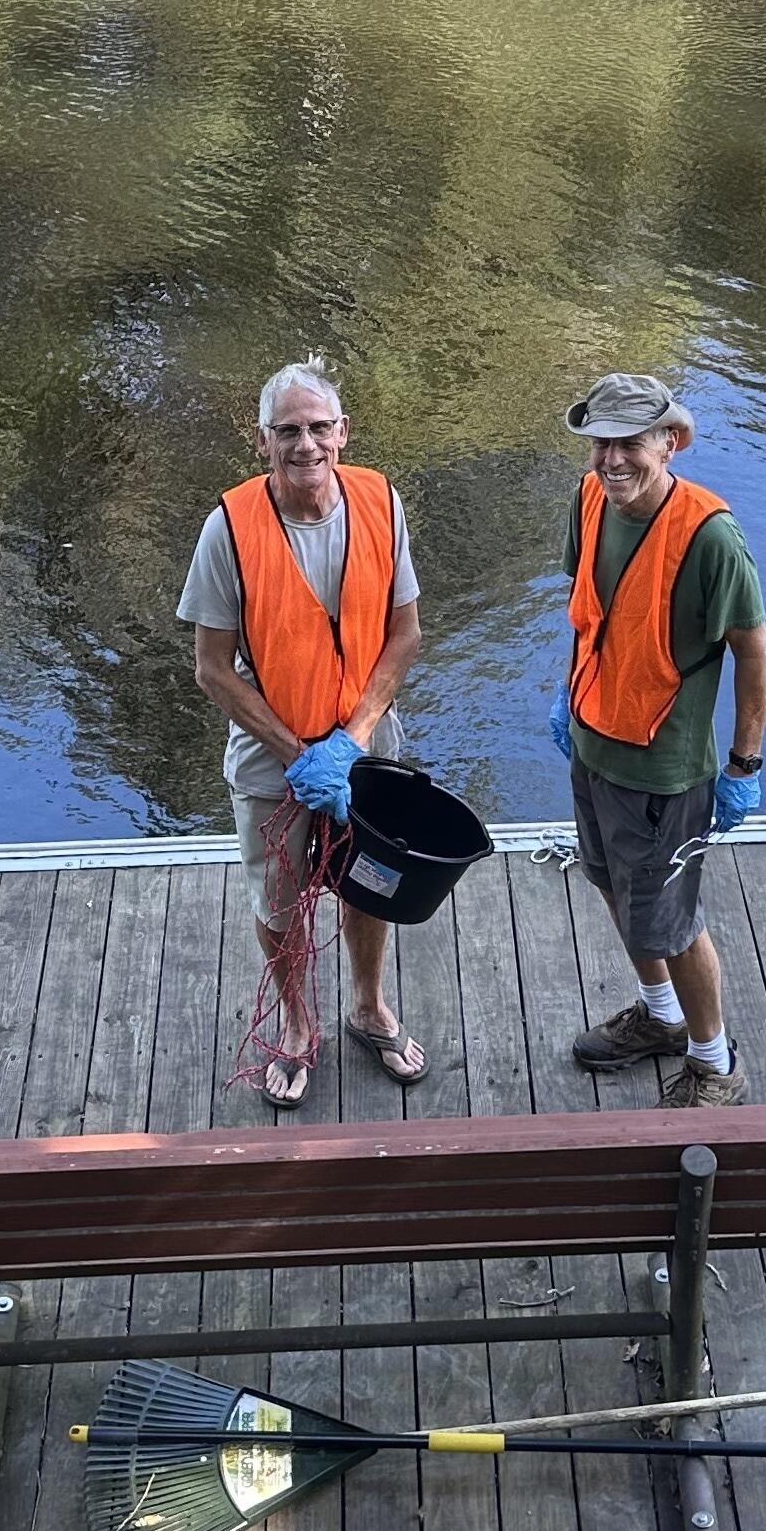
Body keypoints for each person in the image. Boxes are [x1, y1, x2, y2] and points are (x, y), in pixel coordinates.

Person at [179, 358, 427, 1106]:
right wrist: (300, 755)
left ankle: (368, 1005)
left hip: (367, 748)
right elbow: (213, 670)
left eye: (320, 428)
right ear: (263, 442)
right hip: (270, 760)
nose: (306, 445)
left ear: (343, 433)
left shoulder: (381, 501)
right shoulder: (228, 529)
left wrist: (351, 740)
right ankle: (294, 1022)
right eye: (288, 431)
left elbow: (405, 635)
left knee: (372, 887)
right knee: (281, 903)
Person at [552, 372, 766, 1101]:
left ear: (669, 442)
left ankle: (714, 1064)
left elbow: (754, 652)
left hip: (665, 772)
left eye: (630, 444)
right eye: (601, 443)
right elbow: (586, 609)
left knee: (673, 924)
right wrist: (568, 696)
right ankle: (661, 1018)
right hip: (592, 746)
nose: (612, 460)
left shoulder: (711, 537)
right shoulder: (590, 501)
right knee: (614, 889)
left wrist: (743, 765)